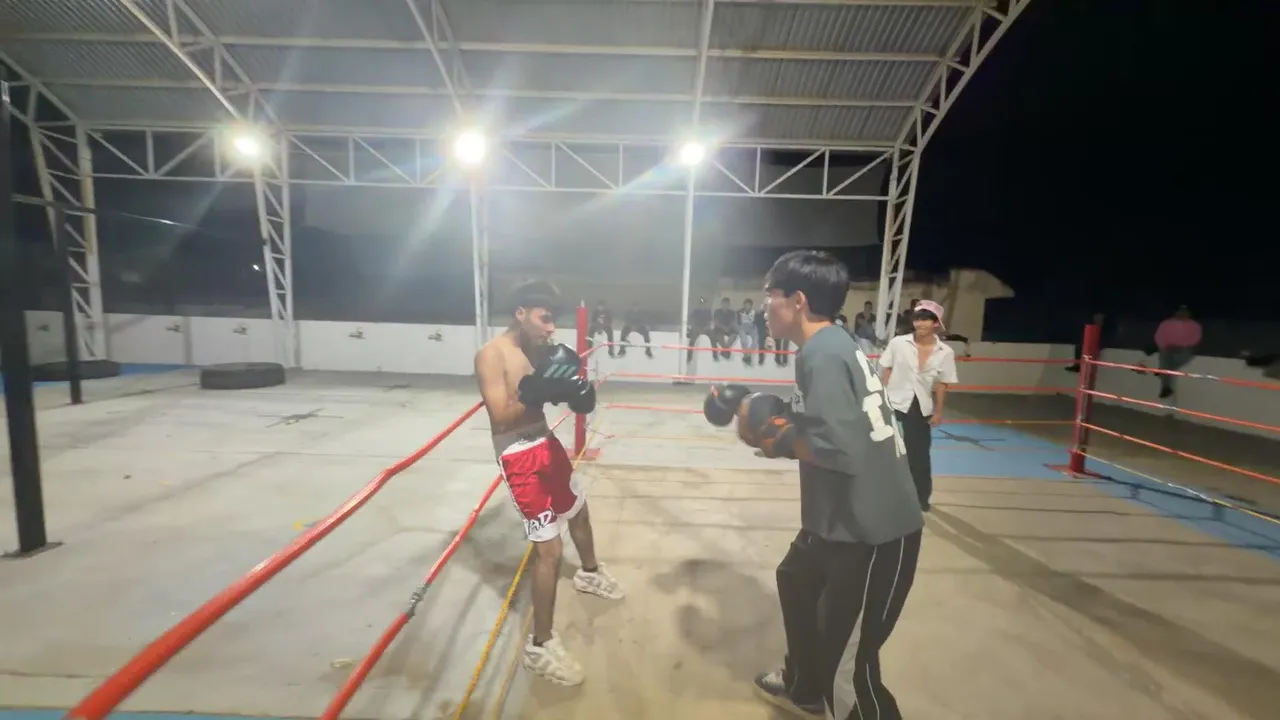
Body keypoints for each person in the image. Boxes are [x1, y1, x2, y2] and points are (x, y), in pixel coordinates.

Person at [702, 250, 923, 720]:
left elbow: (840, 448)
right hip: (838, 520)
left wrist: (775, 438)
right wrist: (768, 412)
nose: (764, 304)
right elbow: (830, 417)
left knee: (848, 668)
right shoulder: (834, 343)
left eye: (770, 295)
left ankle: (835, 696)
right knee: (796, 578)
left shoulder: (821, 354)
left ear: (797, 300)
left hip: (873, 531)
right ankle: (803, 687)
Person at [473, 279, 624, 686]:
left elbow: (559, 396)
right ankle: (540, 646)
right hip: (518, 456)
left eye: (553, 320)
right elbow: (501, 417)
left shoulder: (541, 350)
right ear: (520, 313)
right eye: (544, 319)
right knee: (550, 551)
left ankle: (589, 572)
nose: (551, 328)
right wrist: (539, 388)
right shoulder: (491, 355)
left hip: (546, 442)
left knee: (578, 509)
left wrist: (574, 391)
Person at [880, 300, 958, 512]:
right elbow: (887, 369)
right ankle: (889, 497)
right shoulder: (898, 343)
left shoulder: (945, 352)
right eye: (917, 319)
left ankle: (921, 498)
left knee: (920, 457)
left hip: (921, 407)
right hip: (895, 403)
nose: (920, 324)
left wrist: (938, 412)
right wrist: (882, 400)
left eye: (926, 319)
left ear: (936, 323)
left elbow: (942, 384)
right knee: (890, 454)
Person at [1153, 304, 1202, 399]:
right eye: (1180, 311)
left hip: (1185, 349)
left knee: (1168, 363)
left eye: (1185, 311)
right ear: (1175, 312)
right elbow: (1158, 337)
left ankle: (1163, 371)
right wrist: (1166, 346)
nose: (1182, 313)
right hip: (1168, 350)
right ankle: (1166, 386)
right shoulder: (1166, 324)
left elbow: (1196, 338)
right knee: (1164, 355)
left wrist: (1182, 345)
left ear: (1189, 313)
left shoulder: (1194, 325)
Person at [687, 297, 718, 363]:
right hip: (697, 328)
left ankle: (715, 354)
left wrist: (705, 328)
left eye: (704, 303)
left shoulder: (708, 311)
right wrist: (696, 328)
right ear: (700, 304)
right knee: (692, 340)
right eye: (702, 303)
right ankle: (689, 356)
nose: (703, 305)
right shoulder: (695, 311)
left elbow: (710, 322)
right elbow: (692, 320)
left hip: (706, 328)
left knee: (713, 337)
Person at [738, 298, 759, 367]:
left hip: (752, 327)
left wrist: (754, 325)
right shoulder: (739, 312)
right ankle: (746, 356)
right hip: (743, 326)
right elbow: (736, 321)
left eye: (748, 305)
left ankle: (748, 354)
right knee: (744, 340)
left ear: (751, 306)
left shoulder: (755, 312)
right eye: (746, 305)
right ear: (744, 305)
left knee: (756, 340)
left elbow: (757, 321)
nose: (747, 307)